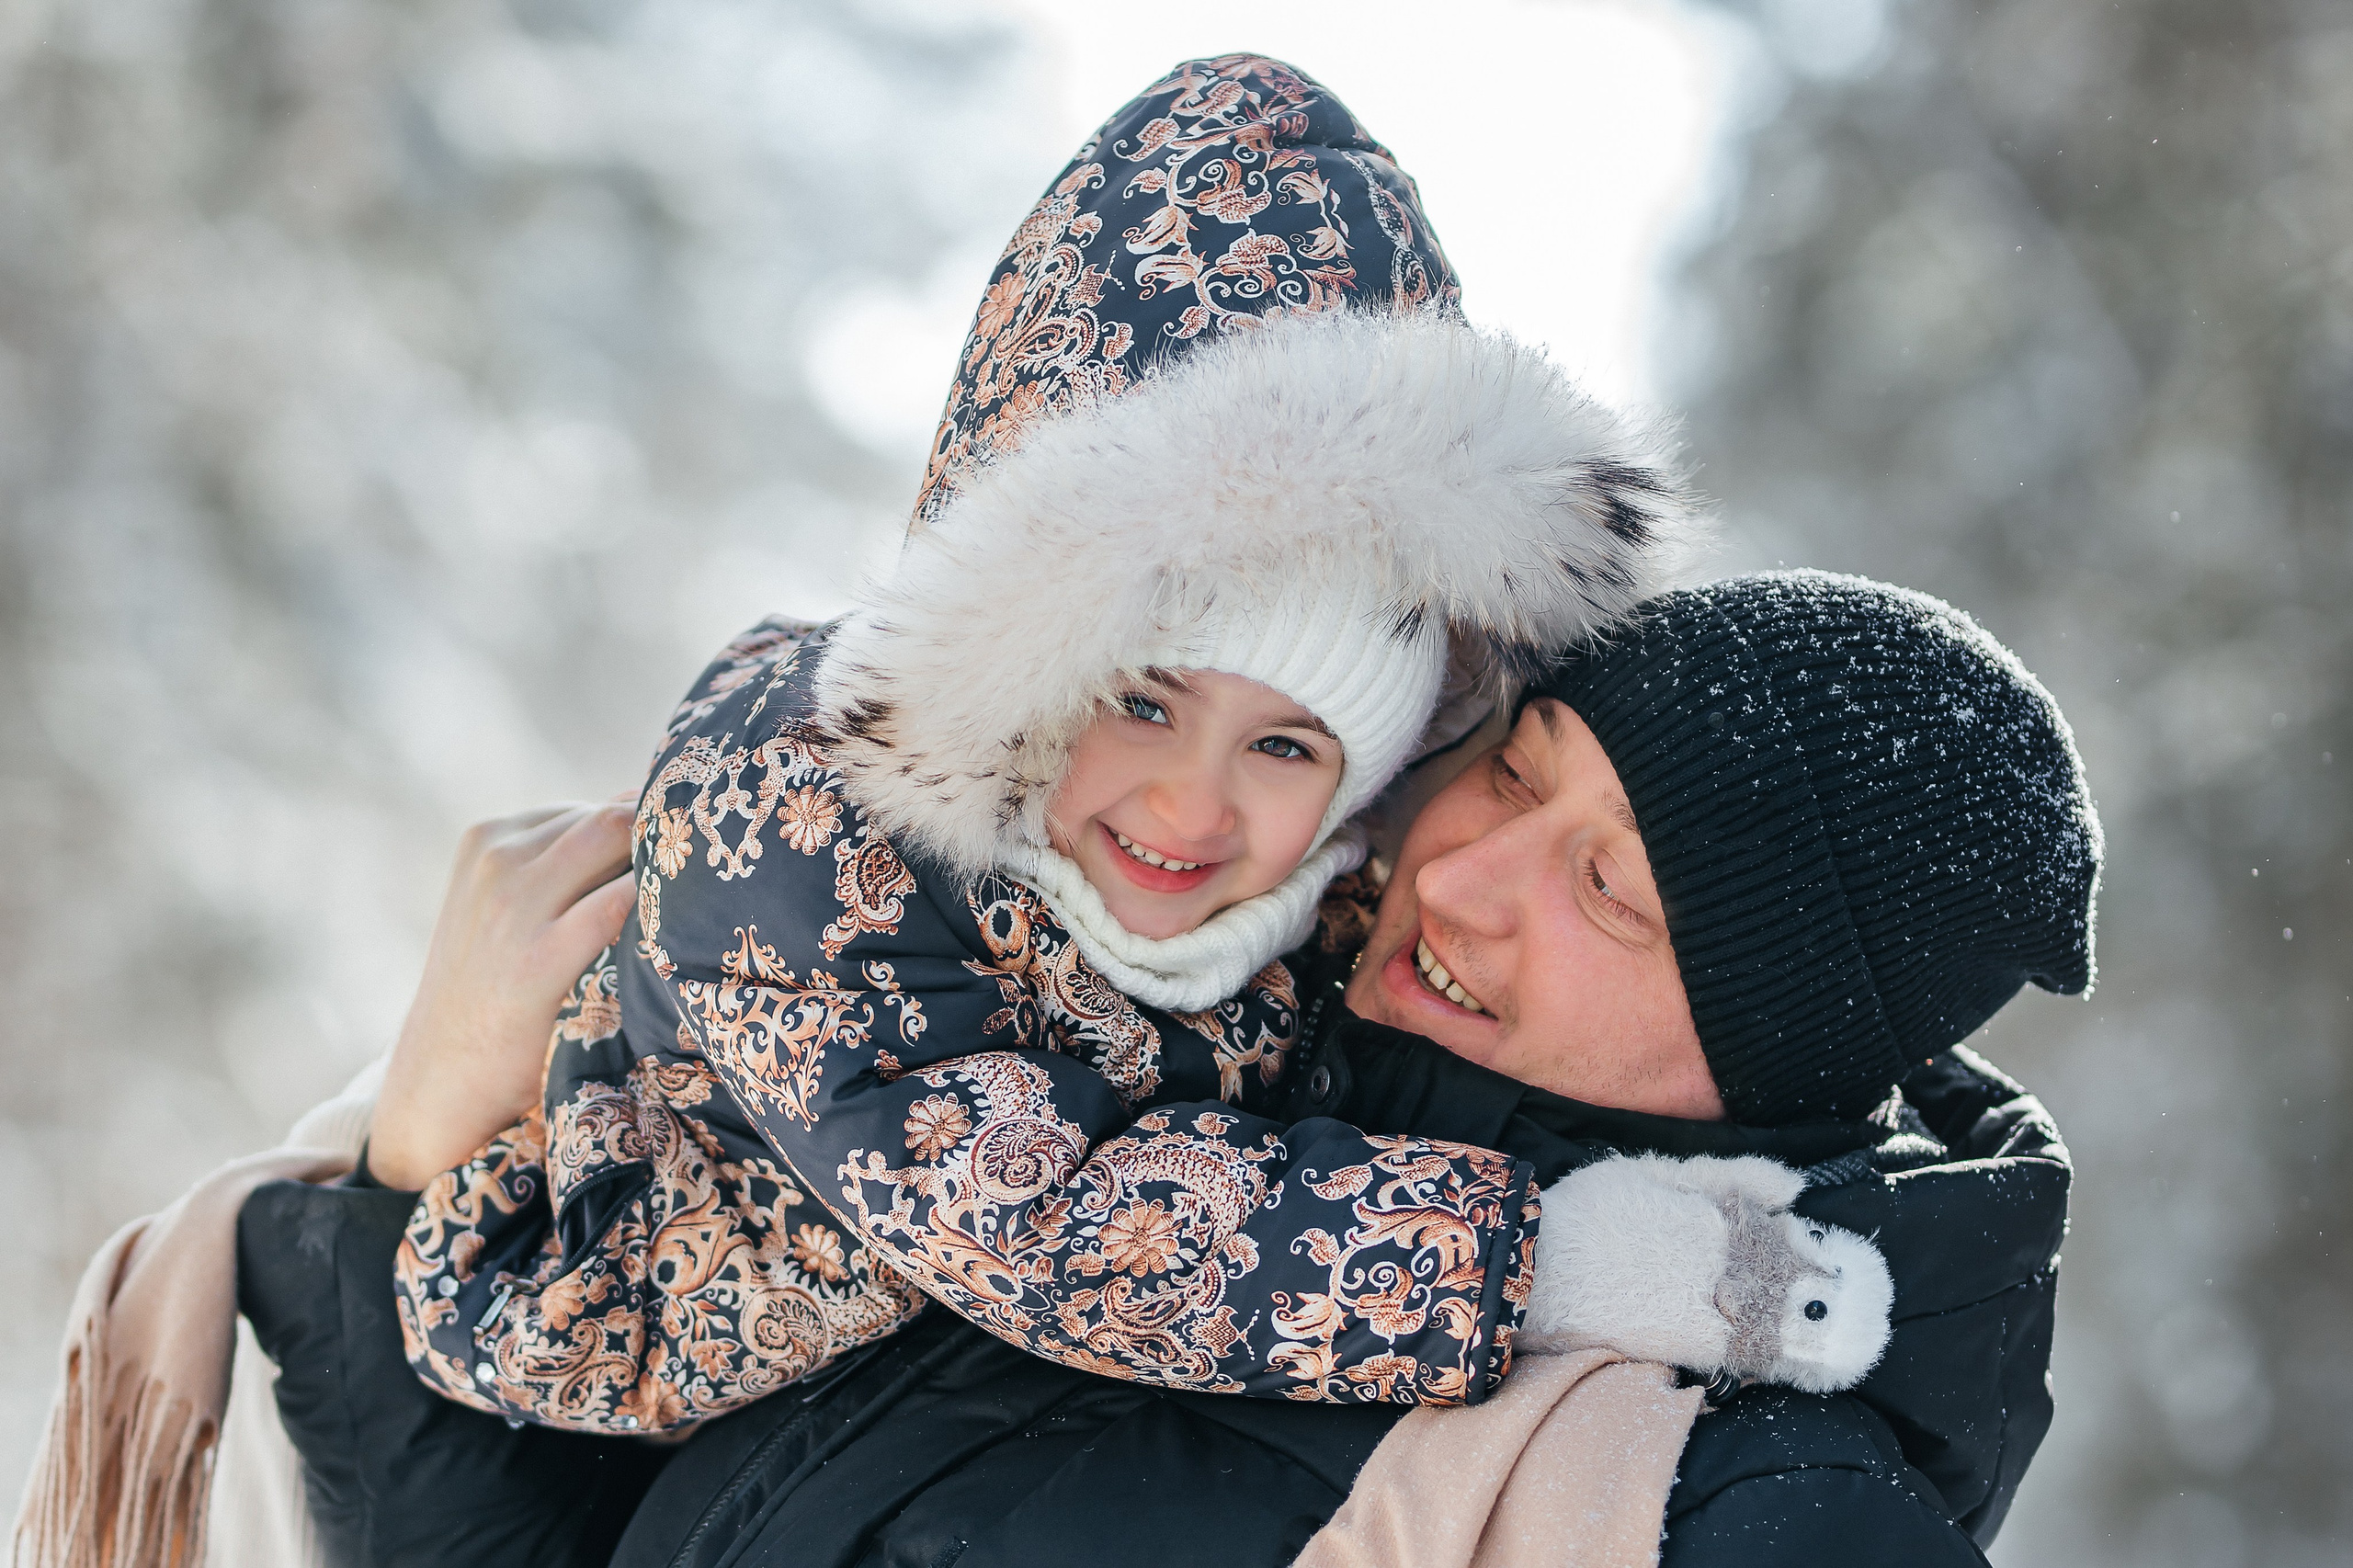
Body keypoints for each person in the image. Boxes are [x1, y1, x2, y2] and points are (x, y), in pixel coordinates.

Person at [379, 51, 1892, 1447]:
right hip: (598, 1306)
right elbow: (1044, 1218)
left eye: (1289, 745)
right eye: (1149, 700)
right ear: (1030, 650)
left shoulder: (1333, 892)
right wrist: (1551, 1258)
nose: (1191, 799)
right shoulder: (807, 829)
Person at [233, 568, 2097, 1567]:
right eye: (1513, 770)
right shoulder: (1122, 1143)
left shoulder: (1731, 1508)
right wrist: (430, 1145)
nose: (1457, 871)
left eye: (1603, 886)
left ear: (1766, 1050)